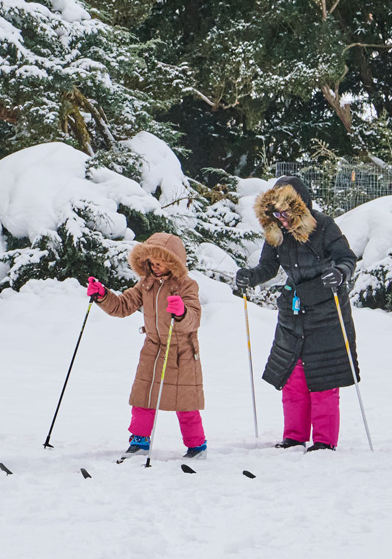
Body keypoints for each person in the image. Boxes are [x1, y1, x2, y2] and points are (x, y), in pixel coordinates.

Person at [234, 175, 360, 452]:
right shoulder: (276, 232)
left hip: (328, 309)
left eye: (287, 212)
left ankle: (324, 442)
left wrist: (339, 274)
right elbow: (268, 266)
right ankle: (294, 437)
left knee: (324, 379)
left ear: (300, 206)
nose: (282, 218)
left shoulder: (324, 226)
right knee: (293, 376)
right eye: (277, 213)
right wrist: (250, 277)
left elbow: (347, 258)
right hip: (294, 311)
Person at [85, 232, 206, 460]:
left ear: (173, 262)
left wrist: (181, 312)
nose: (156, 267)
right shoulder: (145, 284)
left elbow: (194, 318)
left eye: (160, 262)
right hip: (153, 347)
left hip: (182, 351)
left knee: (186, 402)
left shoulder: (187, 285)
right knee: (143, 397)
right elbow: (122, 306)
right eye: (152, 262)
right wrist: (103, 295)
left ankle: (197, 447)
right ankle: (139, 442)